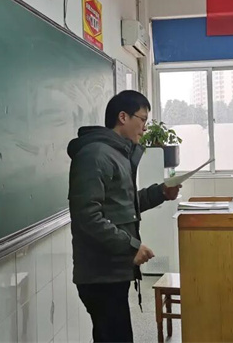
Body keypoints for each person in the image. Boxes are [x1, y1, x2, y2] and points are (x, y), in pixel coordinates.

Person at [67, 90, 181, 343]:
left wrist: (161, 192)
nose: (145, 128)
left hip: (112, 269)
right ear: (123, 117)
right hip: (99, 272)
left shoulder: (116, 154)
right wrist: (130, 246)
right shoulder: (95, 155)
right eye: (142, 119)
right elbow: (88, 216)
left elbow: (123, 205)